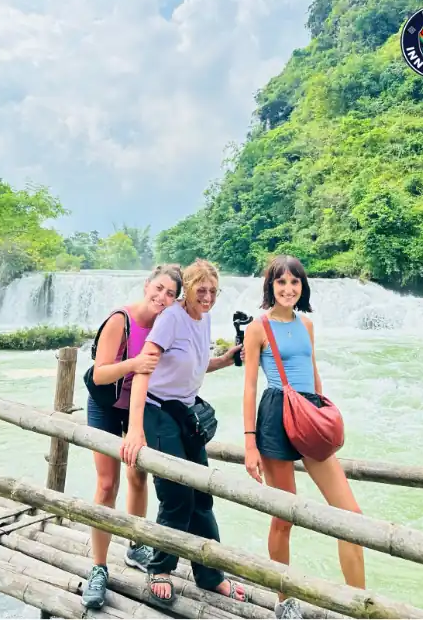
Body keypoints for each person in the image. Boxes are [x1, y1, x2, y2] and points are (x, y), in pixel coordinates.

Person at [241, 255, 364, 619]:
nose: (288, 289)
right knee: (284, 516)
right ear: (271, 286)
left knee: (352, 518)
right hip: (275, 417)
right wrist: (250, 443)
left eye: (295, 282)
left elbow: (313, 374)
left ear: (302, 287)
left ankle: (359, 605)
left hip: (309, 416)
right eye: (281, 282)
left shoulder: (307, 325)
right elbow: (249, 388)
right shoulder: (257, 328)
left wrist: (326, 414)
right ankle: (284, 599)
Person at [120, 259, 246, 605]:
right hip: (157, 411)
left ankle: (210, 575)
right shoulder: (171, 317)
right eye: (200, 290)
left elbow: (194, 361)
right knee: (176, 494)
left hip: (183, 412)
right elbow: (145, 369)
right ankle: (160, 568)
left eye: (212, 292)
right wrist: (134, 430)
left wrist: (226, 359)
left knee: (201, 495)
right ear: (186, 290)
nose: (206, 297)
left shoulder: (202, 319)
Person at [80, 264, 182, 610]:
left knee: (138, 474)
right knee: (107, 484)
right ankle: (98, 567)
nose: (162, 297)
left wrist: (225, 360)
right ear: (146, 285)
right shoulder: (120, 320)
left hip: (139, 408)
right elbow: (100, 373)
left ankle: (135, 544)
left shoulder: (167, 325)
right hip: (107, 405)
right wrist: (134, 364)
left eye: (171, 294)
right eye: (159, 289)